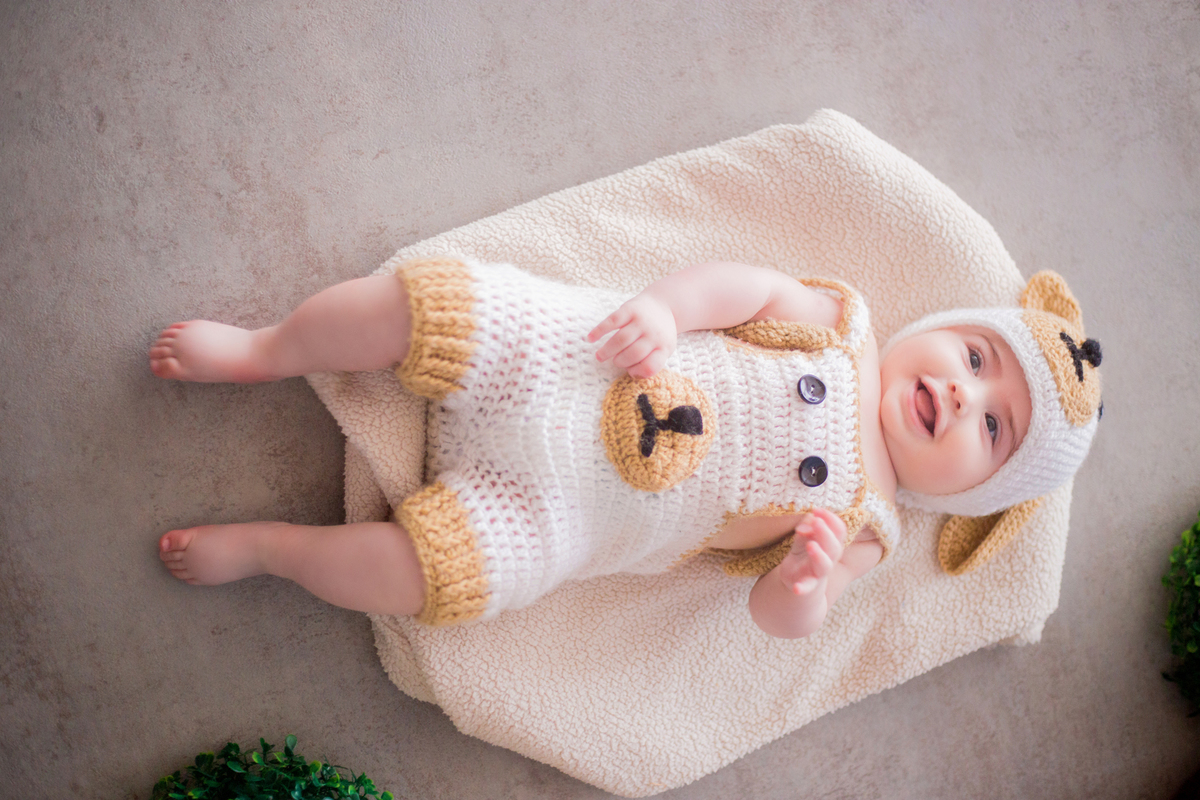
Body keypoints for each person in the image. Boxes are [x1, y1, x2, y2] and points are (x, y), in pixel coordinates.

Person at [150, 258, 1102, 638]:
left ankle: (276, 548)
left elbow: (783, 622)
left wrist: (805, 585)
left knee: (426, 578)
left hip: (566, 516)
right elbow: (744, 288)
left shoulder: (867, 524)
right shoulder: (842, 327)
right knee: (425, 305)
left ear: (976, 492)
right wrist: (665, 308)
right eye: (976, 357)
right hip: (575, 359)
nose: (961, 391)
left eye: (993, 426)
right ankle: (266, 350)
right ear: (946, 329)